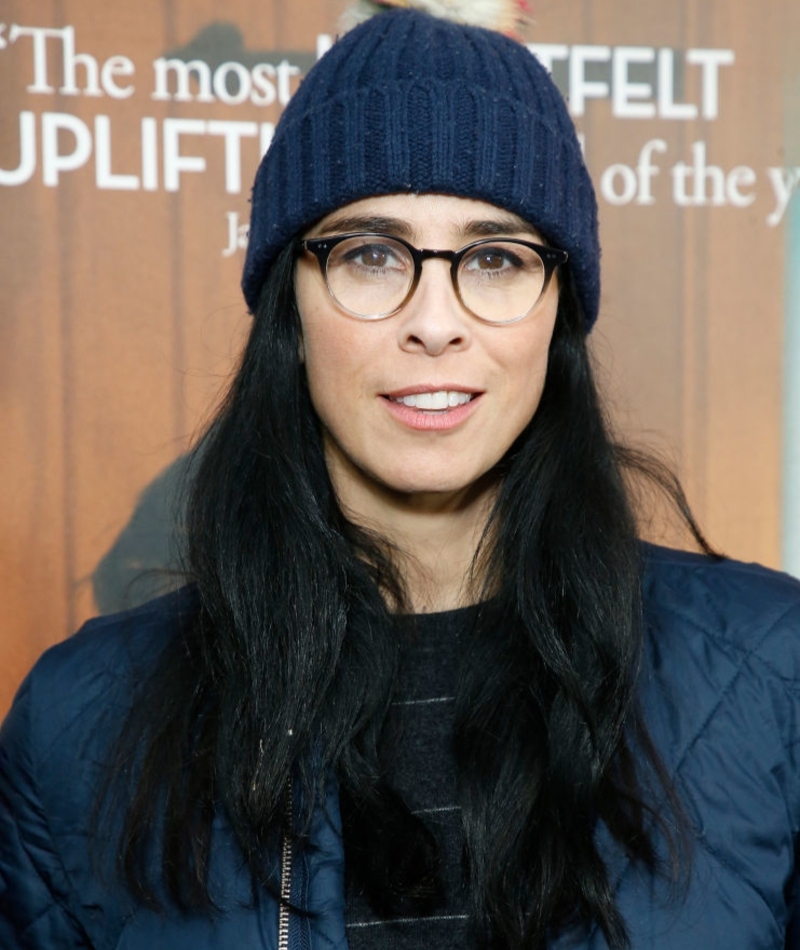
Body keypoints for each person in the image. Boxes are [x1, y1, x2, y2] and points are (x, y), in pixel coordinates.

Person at [2, 6, 800, 950]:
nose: (435, 321)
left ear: (561, 312)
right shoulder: (80, 724)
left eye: (496, 258)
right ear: (288, 307)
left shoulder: (772, 673)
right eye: (371, 254)